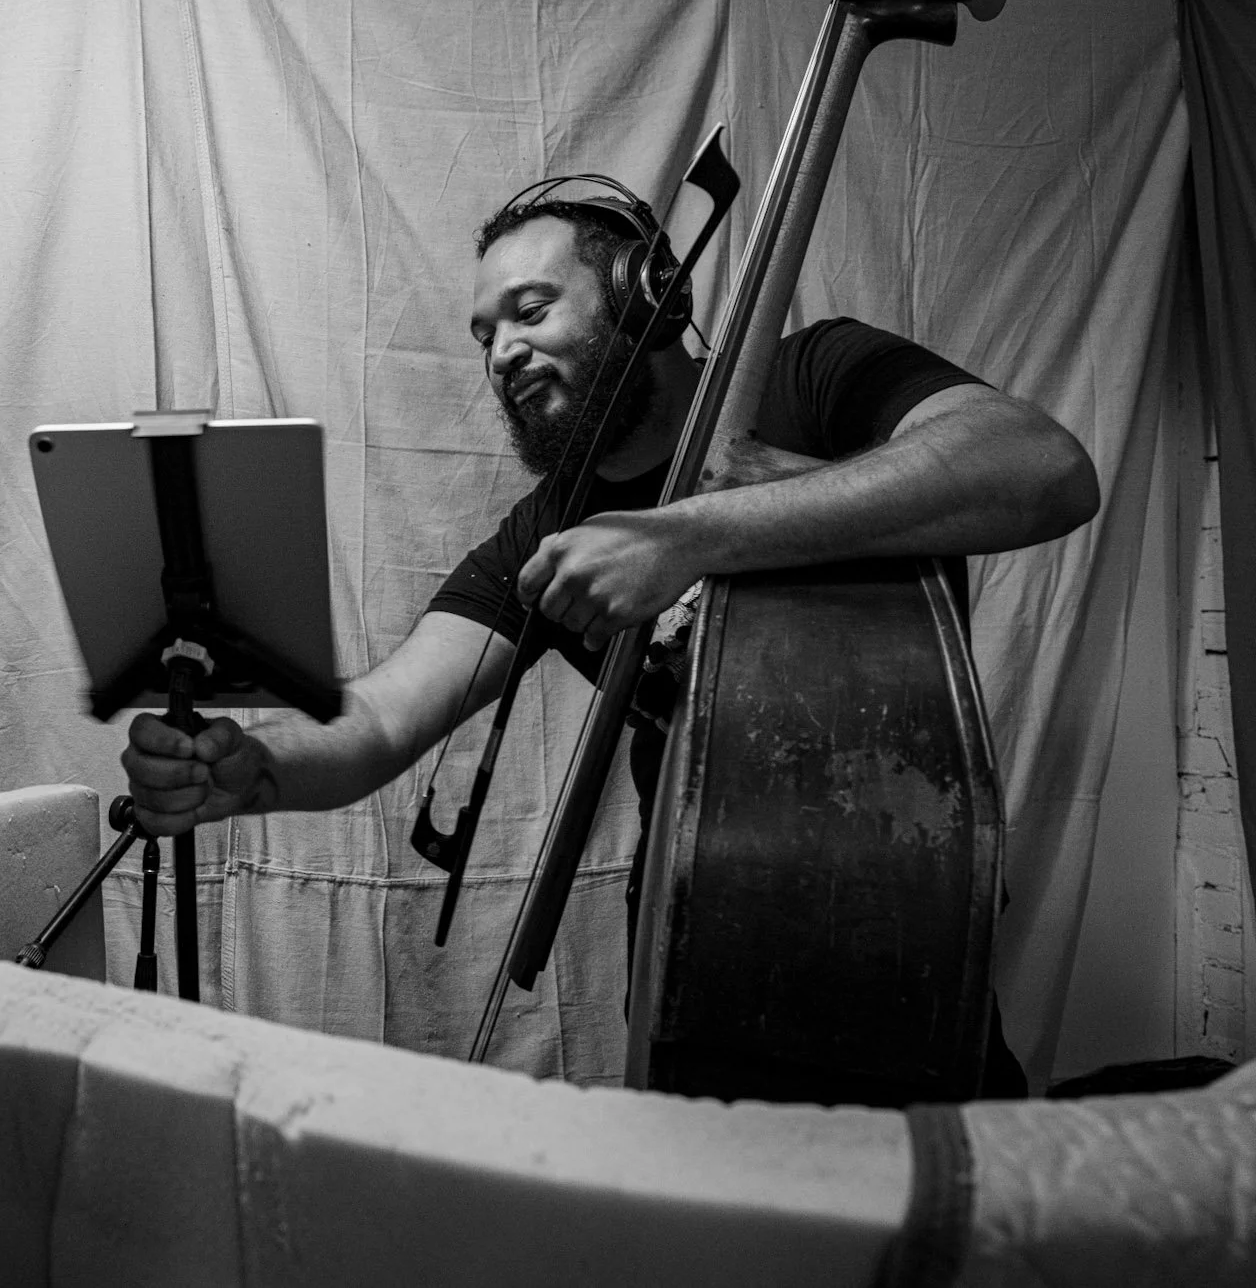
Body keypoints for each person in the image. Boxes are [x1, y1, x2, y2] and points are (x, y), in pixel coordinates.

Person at [121, 189, 1100, 1092]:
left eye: (531, 309)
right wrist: (249, 766)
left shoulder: (812, 377)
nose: (500, 350)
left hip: (894, 928)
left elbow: (1038, 467)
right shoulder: (547, 529)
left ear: (650, 299)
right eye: (483, 332)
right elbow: (378, 716)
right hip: (684, 958)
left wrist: (688, 535)